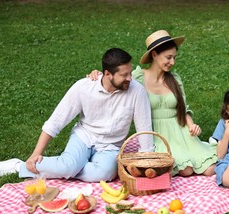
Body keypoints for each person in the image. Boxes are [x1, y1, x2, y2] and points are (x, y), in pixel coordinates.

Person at [0, 48, 153, 182]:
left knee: (104, 175)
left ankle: (66, 166)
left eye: (130, 73)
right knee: (69, 166)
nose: (130, 78)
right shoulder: (83, 87)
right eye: (124, 75)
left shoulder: (137, 91)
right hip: (84, 137)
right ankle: (19, 166)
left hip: (111, 146)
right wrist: (36, 153)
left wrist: (147, 162)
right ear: (107, 74)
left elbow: (144, 127)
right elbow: (57, 120)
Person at [88, 30, 217, 177]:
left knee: (210, 169)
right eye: (168, 57)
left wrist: (192, 125)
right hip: (156, 134)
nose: (172, 62)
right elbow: (116, 81)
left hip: (180, 132)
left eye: (174, 57)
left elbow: (184, 108)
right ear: (154, 54)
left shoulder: (174, 78)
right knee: (186, 170)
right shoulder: (137, 78)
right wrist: (98, 75)